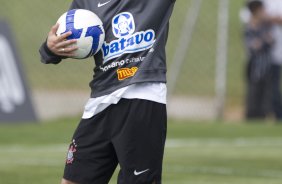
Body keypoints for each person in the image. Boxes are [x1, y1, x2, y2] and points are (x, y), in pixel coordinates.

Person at [39, 0, 176, 184]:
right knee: (73, 180)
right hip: (100, 102)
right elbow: (63, 40)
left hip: (141, 96)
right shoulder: (85, 2)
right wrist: (50, 48)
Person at [241, 0, 282, 120]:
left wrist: (268, 19)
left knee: (272, 89)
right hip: (256, 63)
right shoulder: (251, 28)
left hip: (273, 58)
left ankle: (274, 114)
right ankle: (254, 115)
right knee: (254, 89)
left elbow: (268, 41)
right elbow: (253, 44)